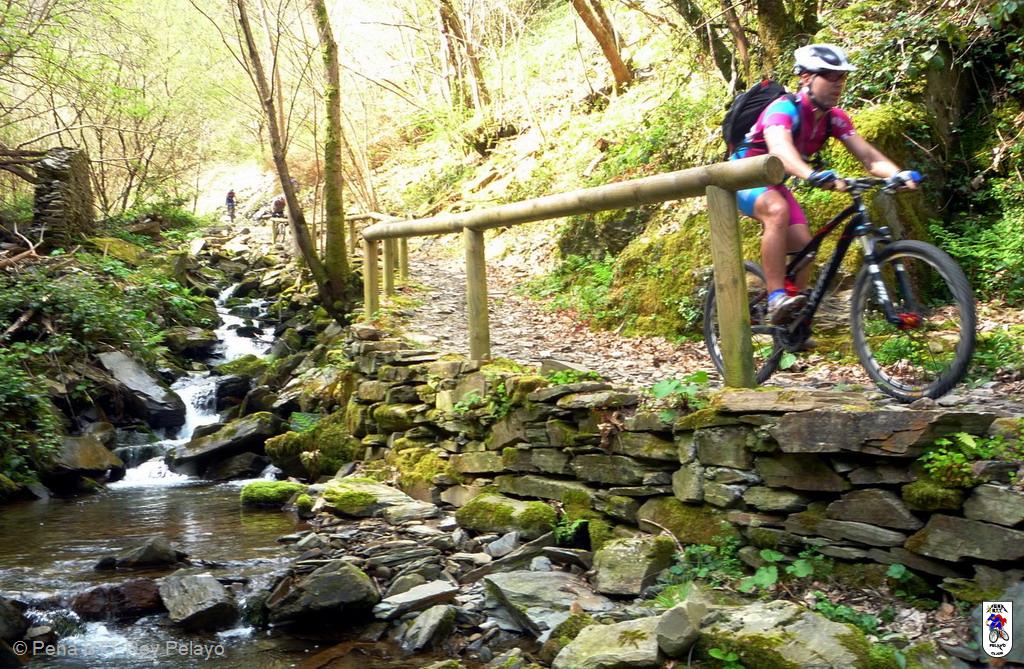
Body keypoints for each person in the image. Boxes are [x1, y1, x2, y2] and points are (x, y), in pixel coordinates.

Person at [730, 44, 920, 326]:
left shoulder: (834, 118)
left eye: (842, 76)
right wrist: (812, 175)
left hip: (773, 183)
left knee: (805, 248)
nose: (838, 83)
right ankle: (775, 297)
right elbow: (780, 150)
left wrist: (897, 174)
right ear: (806, 77)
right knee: (777, 210)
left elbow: (868, 157)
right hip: (742, 175)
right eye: (830, 75)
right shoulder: (782, 109)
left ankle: (792, 327)